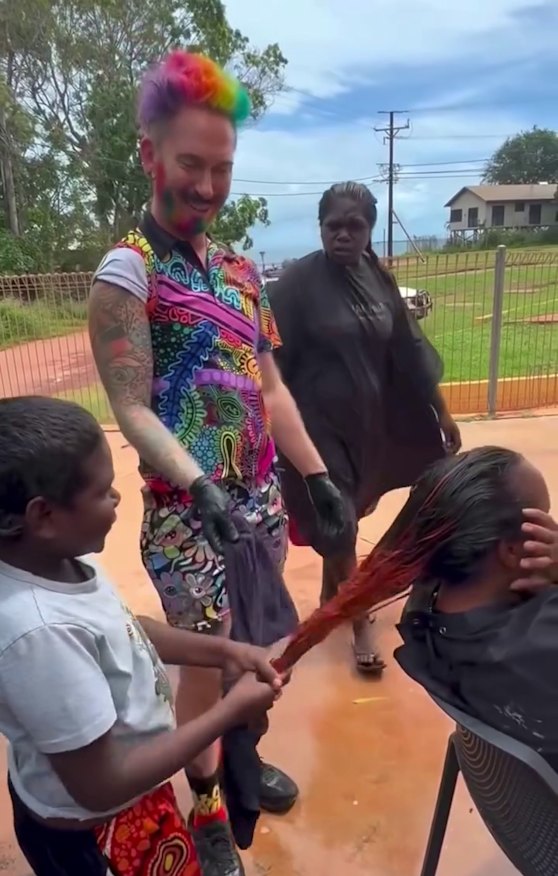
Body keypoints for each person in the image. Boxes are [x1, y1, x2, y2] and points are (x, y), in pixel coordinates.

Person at [89, 50, 346, 875]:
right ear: (149, 155)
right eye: (190, 164)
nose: (205, 185)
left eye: (221, 168)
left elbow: (270, 389)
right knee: (207, 661)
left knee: (260, 648)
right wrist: (198, 483)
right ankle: (202, 802)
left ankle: (240, 760)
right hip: (187, 515)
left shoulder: (240, 271)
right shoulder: (126, 273)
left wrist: (316, 475)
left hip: (261, 503)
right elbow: (129, 405)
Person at [0, 395, 287, 876]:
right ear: (43, 516)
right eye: (103, 492)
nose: (117, 500)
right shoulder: (39, 634)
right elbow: (102, 785)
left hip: (133, 796)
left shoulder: (63, 560)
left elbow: (130, 629)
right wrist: (229, 711)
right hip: (97, 832)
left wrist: (226, 651)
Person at [268, 181, 461, 675]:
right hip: (316, 428)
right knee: (342, 522)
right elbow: (270, 364)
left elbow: (408, 348)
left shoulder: (378, 278)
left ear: (370, 229)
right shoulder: (294, 286)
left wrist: (440, 410)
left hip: (369, 421)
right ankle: (357, 623)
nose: (343, 235)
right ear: (321, 228)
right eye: (333, 225)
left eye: (355, 226)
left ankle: (334, 594)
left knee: (353, 516)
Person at [393, 446, 558, 767]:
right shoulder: (545, 639)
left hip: (514, 799)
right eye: (545, 519)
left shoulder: (423, 610)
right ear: (512, 550)